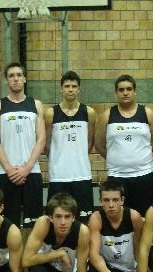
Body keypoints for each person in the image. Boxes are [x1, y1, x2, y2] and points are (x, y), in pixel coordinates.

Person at [95, 74, 153, 217]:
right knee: (119, 219)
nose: (125, 93)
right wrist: (116, 159)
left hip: (143, 176)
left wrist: (143, 161)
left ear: (134, 91)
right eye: (121, 90)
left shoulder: (147, 114)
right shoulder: (107, 116)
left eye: (129, 89)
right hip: (117, 177)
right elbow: (99, 144)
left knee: (145, 219)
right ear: (116, 93)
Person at [0, 62, 45, 228]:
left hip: (32, 172)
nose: (15, 79)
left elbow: (41, 139)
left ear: (25, 79)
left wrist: (27, 168)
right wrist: (9, 169)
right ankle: (10, 254)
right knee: (8, 223)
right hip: (6, 173)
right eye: (11, 76)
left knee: (33, 223)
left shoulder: (36, 104)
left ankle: (31, 254)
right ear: (7, 80)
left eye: (19, 75)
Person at [87, 179, 143, 272]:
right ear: (100, 201)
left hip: (127, 269)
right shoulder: (96, 218)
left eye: (115, 200)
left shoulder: (134, 217)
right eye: (106, 200)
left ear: (122, 200)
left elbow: (141, 251)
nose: (111, 205)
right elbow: (93, 254)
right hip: (107, 266)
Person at [45, 71, 96, 223]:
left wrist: (77, 155)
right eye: (67, 86)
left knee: (83, 220)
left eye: (74, 86)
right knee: (57, 219)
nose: (70, 89)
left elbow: (89, 142)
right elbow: (47, 145)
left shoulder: (89, 112)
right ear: (61, 89)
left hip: (82, 174)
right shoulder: (50, 113)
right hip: (59, 175)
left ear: (79, 89)